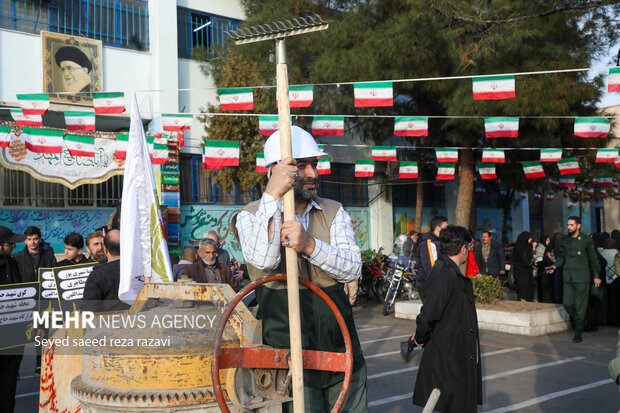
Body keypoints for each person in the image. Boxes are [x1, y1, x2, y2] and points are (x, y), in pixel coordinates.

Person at [234, 126, 367, 412]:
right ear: (275, 170)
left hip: (341, 353)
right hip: (289, 361)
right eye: (301, 166)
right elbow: (264, 260)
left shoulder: (334, 211)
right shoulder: (249, 217)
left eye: (314, 165)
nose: (313, 174)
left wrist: (309, 245)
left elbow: (352, 268)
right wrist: (273, 197)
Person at [410, 225, 481, 413]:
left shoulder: (450, 271)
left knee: (458, 403)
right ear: (463, 249)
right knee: (453, 404)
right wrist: (420, 336)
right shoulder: (444, 273)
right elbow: (429, 313)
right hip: (448, 354)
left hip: (455, 352)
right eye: (469, 247)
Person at [547, 216, 600, 343]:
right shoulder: (565, 240)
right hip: (568, 277)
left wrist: (596, 276)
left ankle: (578, 332)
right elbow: (562, 258)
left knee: (580, 307)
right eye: (568, 225)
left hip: (582, 278)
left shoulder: (586, 240)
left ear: (578, 225)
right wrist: (554, 266)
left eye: (571, 225)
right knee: (567, 303)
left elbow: (593, 259)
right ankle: (579, 320)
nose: (569, 227)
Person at [0, 226, 25, 413]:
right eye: (10, 244)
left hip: (13, 340)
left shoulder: (13, 262)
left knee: (8, 389)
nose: (14, 247)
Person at [81, 230, 130, 313]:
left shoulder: (97, 275)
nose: (100, 248)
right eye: (96, 244)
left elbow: (89, 312)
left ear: (105, 249)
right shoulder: (139, 270)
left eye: (101, 244)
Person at [414, 216, 448, 301]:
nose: (447, 231)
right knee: (431, 312)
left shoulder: (437, 242)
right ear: (438, 228)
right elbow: (431, 267)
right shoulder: (428, 242)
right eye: (445, 228)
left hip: (434, 283)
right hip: (429, 283)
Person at [512, 231, 536, 302]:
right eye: (529, 239)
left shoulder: (527, 247)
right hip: (521, 272)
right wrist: (532, 257)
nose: (530, 241)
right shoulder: (520, 248)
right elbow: (526, 261)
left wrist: (533, 249)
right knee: (523, 289)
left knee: (528, 288)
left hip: (527, 272)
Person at [536, 235, 554, 302]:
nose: (548, 242)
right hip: (542, 271)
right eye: (547, 240)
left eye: (549, 240)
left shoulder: (549, 248)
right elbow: (539, 260)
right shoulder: (540, 248)